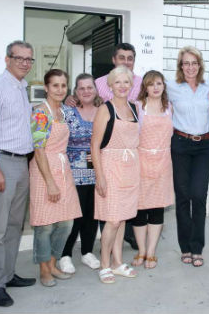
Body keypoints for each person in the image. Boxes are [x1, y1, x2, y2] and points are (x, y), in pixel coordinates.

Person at [0, 40, 36, 307]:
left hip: (21, 163)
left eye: (28, 59)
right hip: (0, 164)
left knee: (14, 225)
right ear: (7, 59)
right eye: (19, 58)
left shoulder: (20, 89)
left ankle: (7, 274)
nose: (24, 62)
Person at [64, 43, 141, 250]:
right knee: (83, 211)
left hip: (119, 161)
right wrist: (70, 98)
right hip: (93, 162)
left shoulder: (140, 84)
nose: (126, 61)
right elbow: (87, 97)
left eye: (130, 58)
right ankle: (71, 253)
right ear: (114, 60)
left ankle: (96, 249)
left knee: (103, 211)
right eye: (122, 57)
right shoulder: (99, 84)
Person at [29, 69, 82, 287]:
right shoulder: (41, 113)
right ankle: (44, 269)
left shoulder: (63, 112)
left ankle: (53, 263)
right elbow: (38, 149)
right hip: (44, 171)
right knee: (45, 225)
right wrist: (50, 182)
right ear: (47, 88)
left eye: (63, 85)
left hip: (62, 167)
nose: (60, 89)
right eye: (55, 85)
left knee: (66, 222)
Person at [91, 66, 140, 283]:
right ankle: (104, 264)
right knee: (112, 220)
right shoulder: (105, 109)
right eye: (117, 82)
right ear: (110, 86)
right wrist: (99, 176)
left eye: (126, 82)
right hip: (110, 168)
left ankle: (118, 262)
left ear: (131, 85)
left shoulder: (135, 108)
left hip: (130, 169)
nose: (122, 86)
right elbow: (94, 144)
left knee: (122, 219)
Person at [167, 46, 209, 267]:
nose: (190, 67)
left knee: (199, 195)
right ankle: (185, 247)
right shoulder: (172, 87)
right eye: (186, 63)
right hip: (180, 144)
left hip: (203, 146)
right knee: (183, 196)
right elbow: (147, 95)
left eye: (194, 63)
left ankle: (198, 247)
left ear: (200, 65)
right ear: (180, 66)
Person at [131, 70, 174, 269]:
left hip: (163, 163)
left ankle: (151, 251)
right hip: (141, 162)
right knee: (140, 209)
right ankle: (141, 250)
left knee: (157, 208)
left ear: (163, 86)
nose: (155, 87)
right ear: (145, 87)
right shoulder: (138, 107)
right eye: (151, 84)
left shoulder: (170, 108)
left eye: (159, 83)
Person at [60, 73, 103, 273]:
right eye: (81, 88)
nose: (86, 91)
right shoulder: (67, 112)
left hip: (97, 172)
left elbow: (111, 138)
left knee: (92, 215)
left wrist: (98, 153)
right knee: (74, 216)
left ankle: (87, 251)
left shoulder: (103, 111)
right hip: (73, 172)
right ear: (76, 91)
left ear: (96, 90)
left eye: (89, 87)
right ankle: (65, 254)